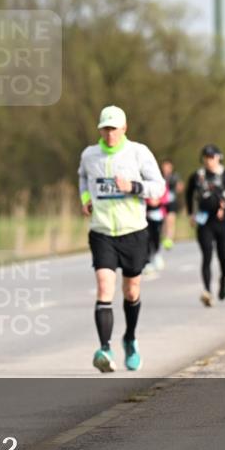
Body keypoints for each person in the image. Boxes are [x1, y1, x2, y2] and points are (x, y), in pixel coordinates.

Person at [78, 105, 165, 373]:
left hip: (134, 232)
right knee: (105, 288)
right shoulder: (89, 155)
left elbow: (159, 187)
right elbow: (82, 178)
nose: (109, 133)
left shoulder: (138, 153)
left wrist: (134, 187)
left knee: (131, 291)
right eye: (105, 128)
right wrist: (85, 198)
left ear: (124, 128)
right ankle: (104, 349)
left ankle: (130, 338)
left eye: (114, 128)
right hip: (102, 232)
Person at [184, 145, 225, 306]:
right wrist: (190, 214)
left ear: (218, 158)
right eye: (206, 157)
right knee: (207, 255)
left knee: (223, 257)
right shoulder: (197, 176)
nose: (209, 161)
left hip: (222, 222)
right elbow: (188, 193)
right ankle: (207, 291)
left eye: (212, 157)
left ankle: (223, 281)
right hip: (204, 221)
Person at [144, 181, 170, 272]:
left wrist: (158, 200)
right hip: (146, 214)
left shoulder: (160, 182)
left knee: (156, 236)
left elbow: (165, 198)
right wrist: (149, 201)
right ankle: (147, 260)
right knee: (147, 237)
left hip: (158, 214)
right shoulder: (145, 182)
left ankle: (157, 254)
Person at [161, 159, 183, 251]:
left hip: (171, 201)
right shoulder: (159, 176)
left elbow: (180, 187)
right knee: (164, 222)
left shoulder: (175, 176)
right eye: (164, 167)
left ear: (171, 167)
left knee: (170, 221)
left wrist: (179, 187)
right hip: (162, 202)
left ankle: (169, 239)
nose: (165, 169)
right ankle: (164, 238)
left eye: (167, 167)